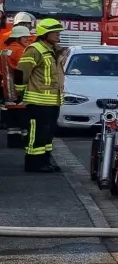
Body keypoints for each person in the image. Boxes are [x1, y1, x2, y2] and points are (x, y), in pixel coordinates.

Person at [16, 17, 66, 173]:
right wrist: (20, 93)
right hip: (38, 101)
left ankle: (45, 161)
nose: (58, 34)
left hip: (53, 101)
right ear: (45, 33)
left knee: (48, 133)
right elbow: (21, 72)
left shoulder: (54, 50)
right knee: (36, 134)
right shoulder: (35, 49)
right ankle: (33, 164)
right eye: (55, 32)